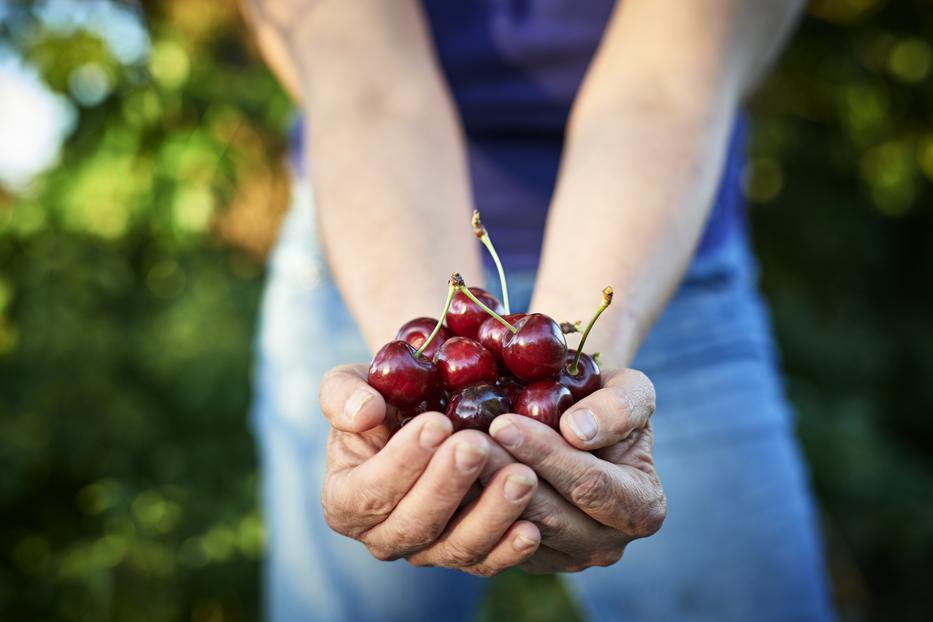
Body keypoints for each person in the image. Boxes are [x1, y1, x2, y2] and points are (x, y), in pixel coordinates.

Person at [241, 1, 837, 620]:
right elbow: (369, 89)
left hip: (658, 253)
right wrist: (420, 389)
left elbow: (658, 94)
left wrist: (572, 386)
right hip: (376, 247)